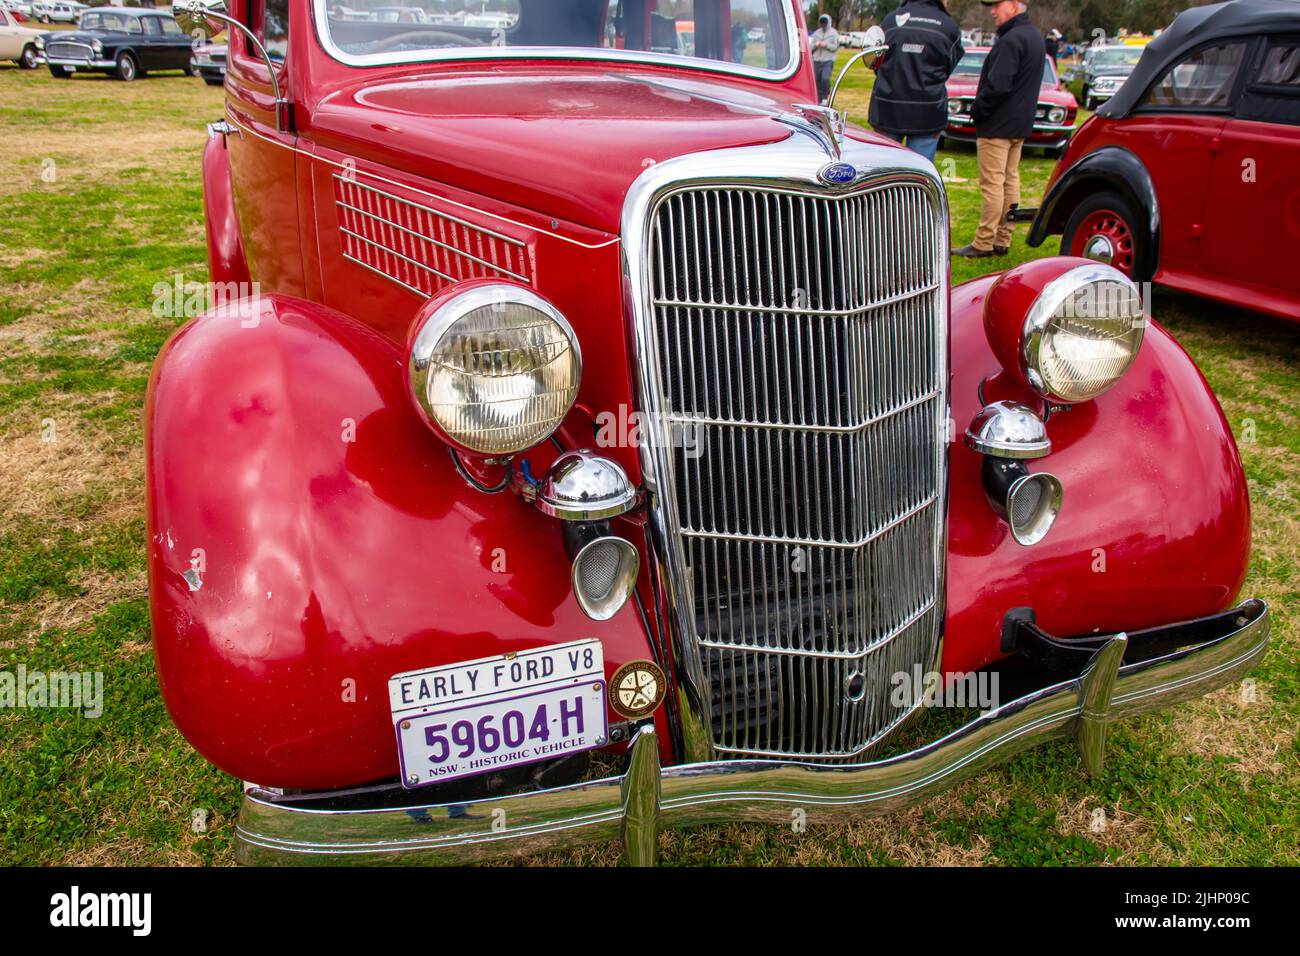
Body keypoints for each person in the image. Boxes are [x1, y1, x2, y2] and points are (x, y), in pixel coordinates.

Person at [952, 0, 1045, 258]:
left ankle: (983, 242)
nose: (992, 11)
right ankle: (1003, 238)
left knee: (993, 184)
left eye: (996, 5)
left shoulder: (1011, 40)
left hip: (998, 124)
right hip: (1019, 124)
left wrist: (977, 110)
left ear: (1014, 6)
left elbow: (998, 85)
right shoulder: (1034, 37)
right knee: (1010, 180)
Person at [867, 0, 964, 163]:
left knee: (883, 173)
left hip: (887, 108)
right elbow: (948, 67)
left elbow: (876, 64)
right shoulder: (948, 26)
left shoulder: (890, 20)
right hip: (928, 112)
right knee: (919, 175)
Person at [810, 14, 840, 105]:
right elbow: (810, 48)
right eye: (821, 22)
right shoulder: (816, 33)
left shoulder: (834, 33)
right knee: (816, 80)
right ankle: (818, 100)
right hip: (817, 60)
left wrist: (825, 45)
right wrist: (816, 45)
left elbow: (835, 47)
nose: (823, 24)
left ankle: (825, 97)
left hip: (828, 60)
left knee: (825, 78)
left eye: (824, 22)